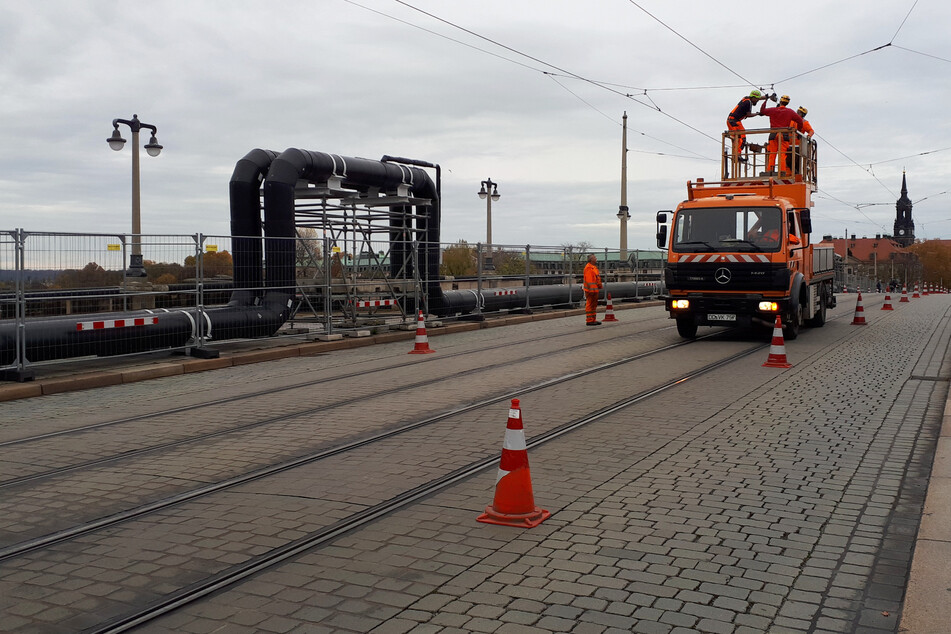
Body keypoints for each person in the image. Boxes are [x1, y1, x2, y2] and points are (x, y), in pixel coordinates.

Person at [759, 95, 804, 176]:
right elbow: (800, 121)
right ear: (787, 103)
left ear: (780, 101)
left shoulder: (773, 110)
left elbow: (762, 111)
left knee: (772, 153)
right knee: (782, 154)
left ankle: (769, 171)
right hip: (784, 135)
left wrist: (765, 100)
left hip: (773, 134)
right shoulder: (790, 111)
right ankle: (782, 171)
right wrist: (799, 131)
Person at [727, 90, 764, 165]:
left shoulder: (746, 99)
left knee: (735, 139)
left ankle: (736, 155)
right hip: (734, 121)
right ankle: (737, 156)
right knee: (742, 138)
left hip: (731, 120)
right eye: (756, 100)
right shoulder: (748, 103)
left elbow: (758, 97)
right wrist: (757, 114)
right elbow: (748, 115)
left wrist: (767, 97)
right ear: (753, 98)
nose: (757, 101)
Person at [787, 106, 815, 174]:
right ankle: (793, 173)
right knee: (787, 161)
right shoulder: (790, 120)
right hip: (787, 145)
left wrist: (808, 136)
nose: (797, 113)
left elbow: (811, 131)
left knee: (796, 162)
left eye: (799, 112)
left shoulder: (804, 123)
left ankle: (797, 174)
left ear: (803, 114)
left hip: (797, 146)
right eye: (797, 111)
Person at [583, 254, 603, 326]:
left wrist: (599, 286)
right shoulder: (588, 268)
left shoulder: (593, 267)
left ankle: (593, 319)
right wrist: (592, 290)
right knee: (590, 304)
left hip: (594, 289)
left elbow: (596, 279)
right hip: (591, 290)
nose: (596, 258)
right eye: (595, 257)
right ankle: (589, 320)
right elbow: (589, 280)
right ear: (591, 259)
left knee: (593, 305)